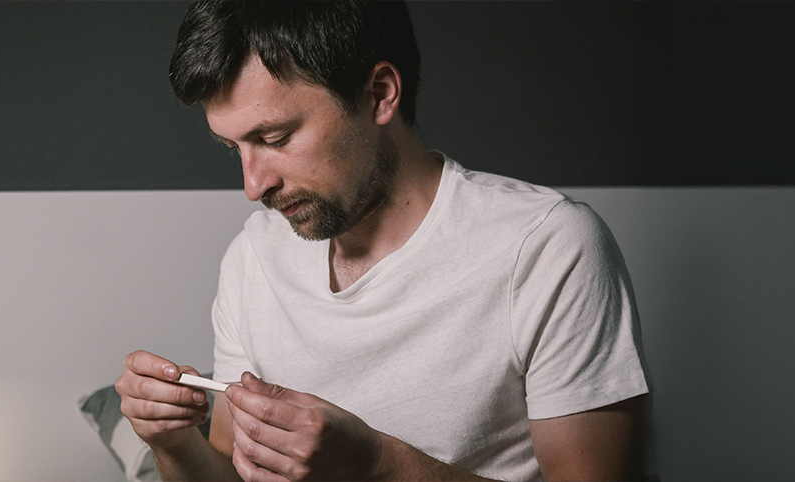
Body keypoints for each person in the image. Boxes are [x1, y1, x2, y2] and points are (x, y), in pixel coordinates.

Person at [115, 1, 650, 480]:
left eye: (274, 138)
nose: (254, 186)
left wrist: (378, 464)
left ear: (380, 94)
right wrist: (174, 443)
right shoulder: (253, 255)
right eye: (235, 149)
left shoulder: (547, 247)